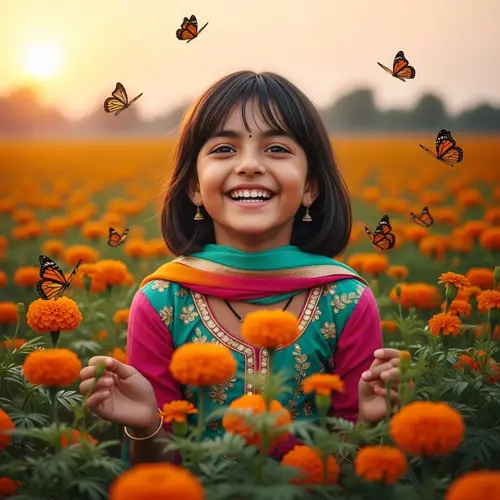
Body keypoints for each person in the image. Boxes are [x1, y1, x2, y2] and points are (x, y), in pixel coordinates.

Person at [79, 71, 405, 466]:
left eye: (277, 149)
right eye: (223, 149)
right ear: (194, 187)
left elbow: (356, 471)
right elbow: (157, 479)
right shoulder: (162, 300)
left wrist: (371, 429)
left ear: (310, 187)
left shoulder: (346, 300)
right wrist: (147, 425)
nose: (249, 165)